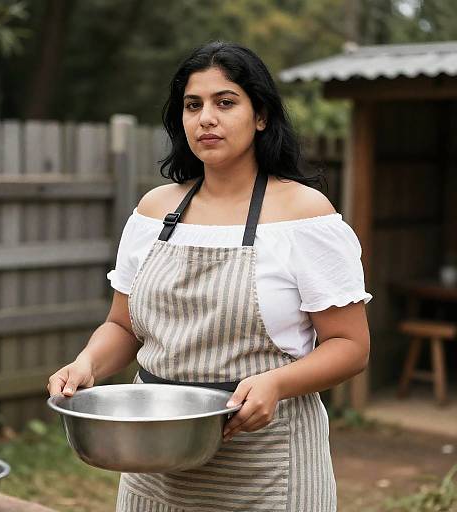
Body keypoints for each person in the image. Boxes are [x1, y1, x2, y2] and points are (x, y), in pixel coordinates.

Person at [48, 40, 372, 511]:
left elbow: (351, 346)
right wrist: (87, 364)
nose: (206, 118)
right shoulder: (153, 211)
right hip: (155, 464)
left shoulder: (304, 216)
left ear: (260, 116)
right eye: (192, 105)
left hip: (266, 463)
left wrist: (276, 384)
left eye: (225, 103)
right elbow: (122, 326)